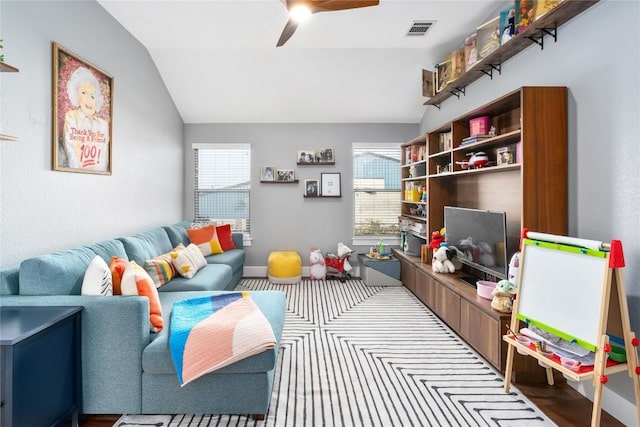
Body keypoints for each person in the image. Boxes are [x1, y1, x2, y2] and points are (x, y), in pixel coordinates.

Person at [60, 66, 109, 171]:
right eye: (83, 93)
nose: (88, 100)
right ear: (76, 95)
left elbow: (104, 157)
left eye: (92, 96)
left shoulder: (103, 124)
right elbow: (70, 150)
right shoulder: (71, 117)